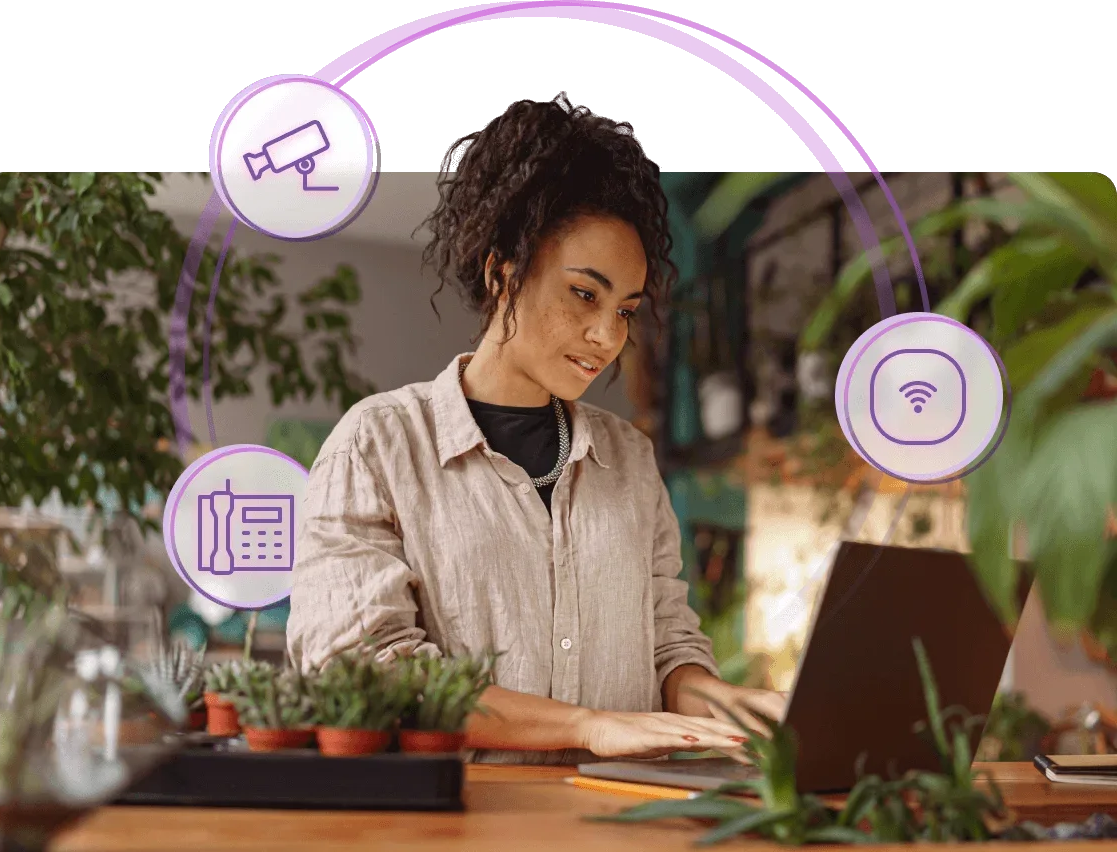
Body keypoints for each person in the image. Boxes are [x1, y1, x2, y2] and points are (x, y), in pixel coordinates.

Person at [287, 94, 784, 764]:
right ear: (503, 272)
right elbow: (362, 672)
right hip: (452, 843)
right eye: (585, 293)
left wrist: (734, 705)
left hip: (622, 835)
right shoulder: (377, 446)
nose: (608, 336)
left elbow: (668, 646)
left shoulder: (629, 459)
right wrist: (584, 726)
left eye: (626, 309)